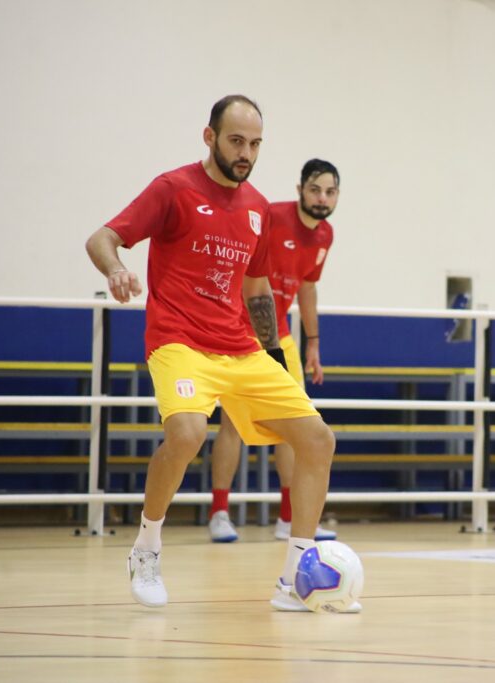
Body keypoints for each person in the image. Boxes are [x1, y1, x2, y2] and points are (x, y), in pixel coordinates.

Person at [85, 95, 358, 612]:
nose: (246, 152)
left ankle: (296, 578)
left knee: (318, 439)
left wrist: (273, 354)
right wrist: (115, 269)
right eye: (236, 141)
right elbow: (102, 238)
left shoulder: (257, 207)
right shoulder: (174, 189)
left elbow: (256, 288)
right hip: (178, 340)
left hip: (240, 347)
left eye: (255, 144)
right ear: (209, 137)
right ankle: (146, 548)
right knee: (187, 433)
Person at [207, 159, 340, 544]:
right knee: (232, 424)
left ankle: (289, 518)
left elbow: (309, 288)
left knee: (295, 425)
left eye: (330, 191)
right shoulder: (271, 215)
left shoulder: (325, 235)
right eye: (315, 189)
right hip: (240, 334)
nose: (322, 197)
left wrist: (313, 343)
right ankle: (219, 512)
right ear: (300, 189)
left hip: (281, 336)